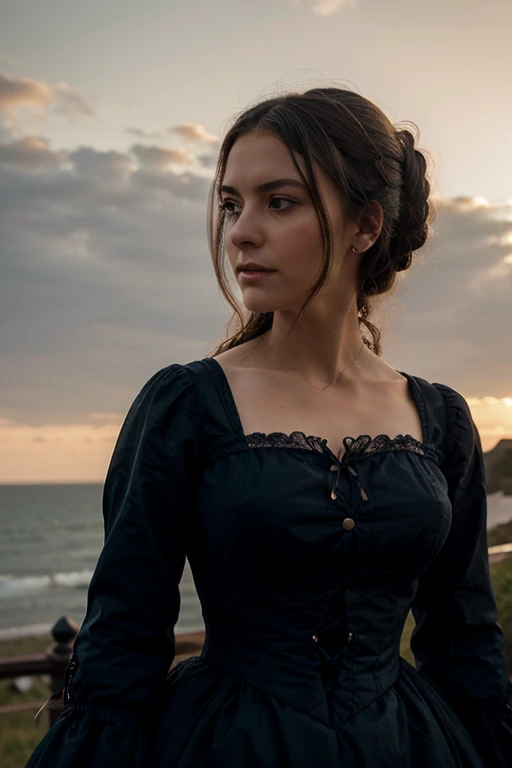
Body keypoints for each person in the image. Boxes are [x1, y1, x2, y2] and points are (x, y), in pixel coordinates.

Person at [26, 87, 512, 767]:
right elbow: (126, 638)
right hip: (226, 745)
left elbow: (465, 641)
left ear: (365, 225)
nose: (240, 231)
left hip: (408, 744)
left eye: (278, 202)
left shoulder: (441, 420)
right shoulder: (186, 406)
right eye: (231, 204)